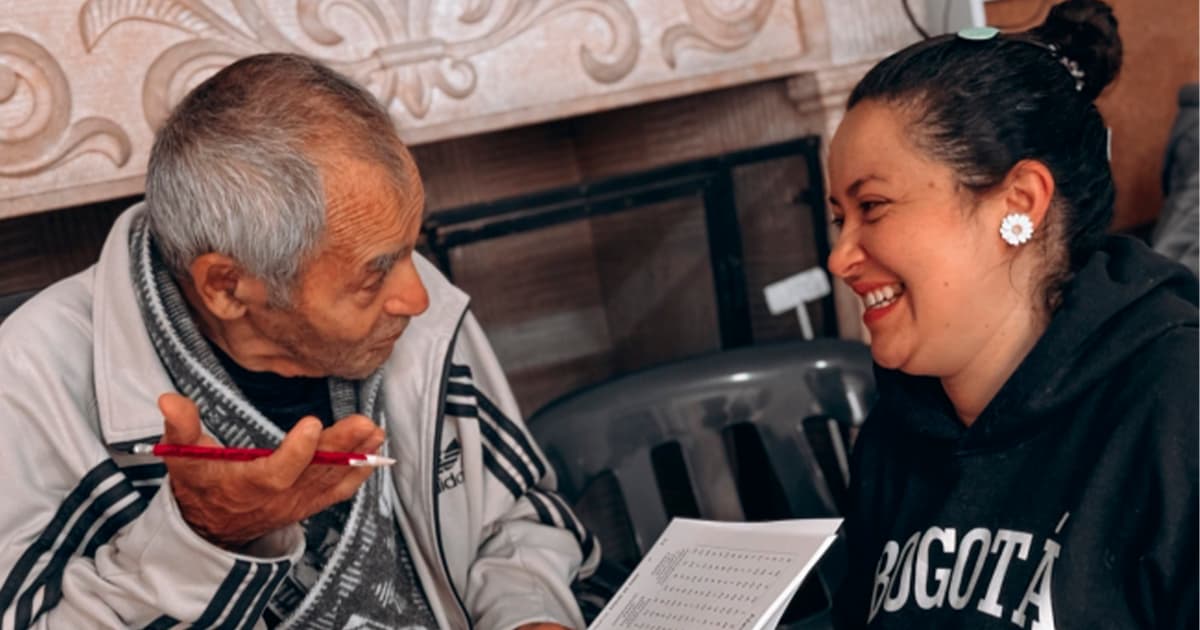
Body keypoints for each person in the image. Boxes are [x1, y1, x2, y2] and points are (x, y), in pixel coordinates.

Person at [0, 53, 598, 629]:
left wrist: (531, 616)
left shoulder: (405, 299)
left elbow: (513, 517)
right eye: (373, 275)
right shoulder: (35, 376)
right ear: (227, 287)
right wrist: (204, 539)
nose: (418, 298)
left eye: (409, 247)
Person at [824, 1, 1198, 628]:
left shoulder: (1174, 409)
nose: (840, 257)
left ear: (1018, 203)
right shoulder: (895, 433)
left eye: (874, 206)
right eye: (841, 217)